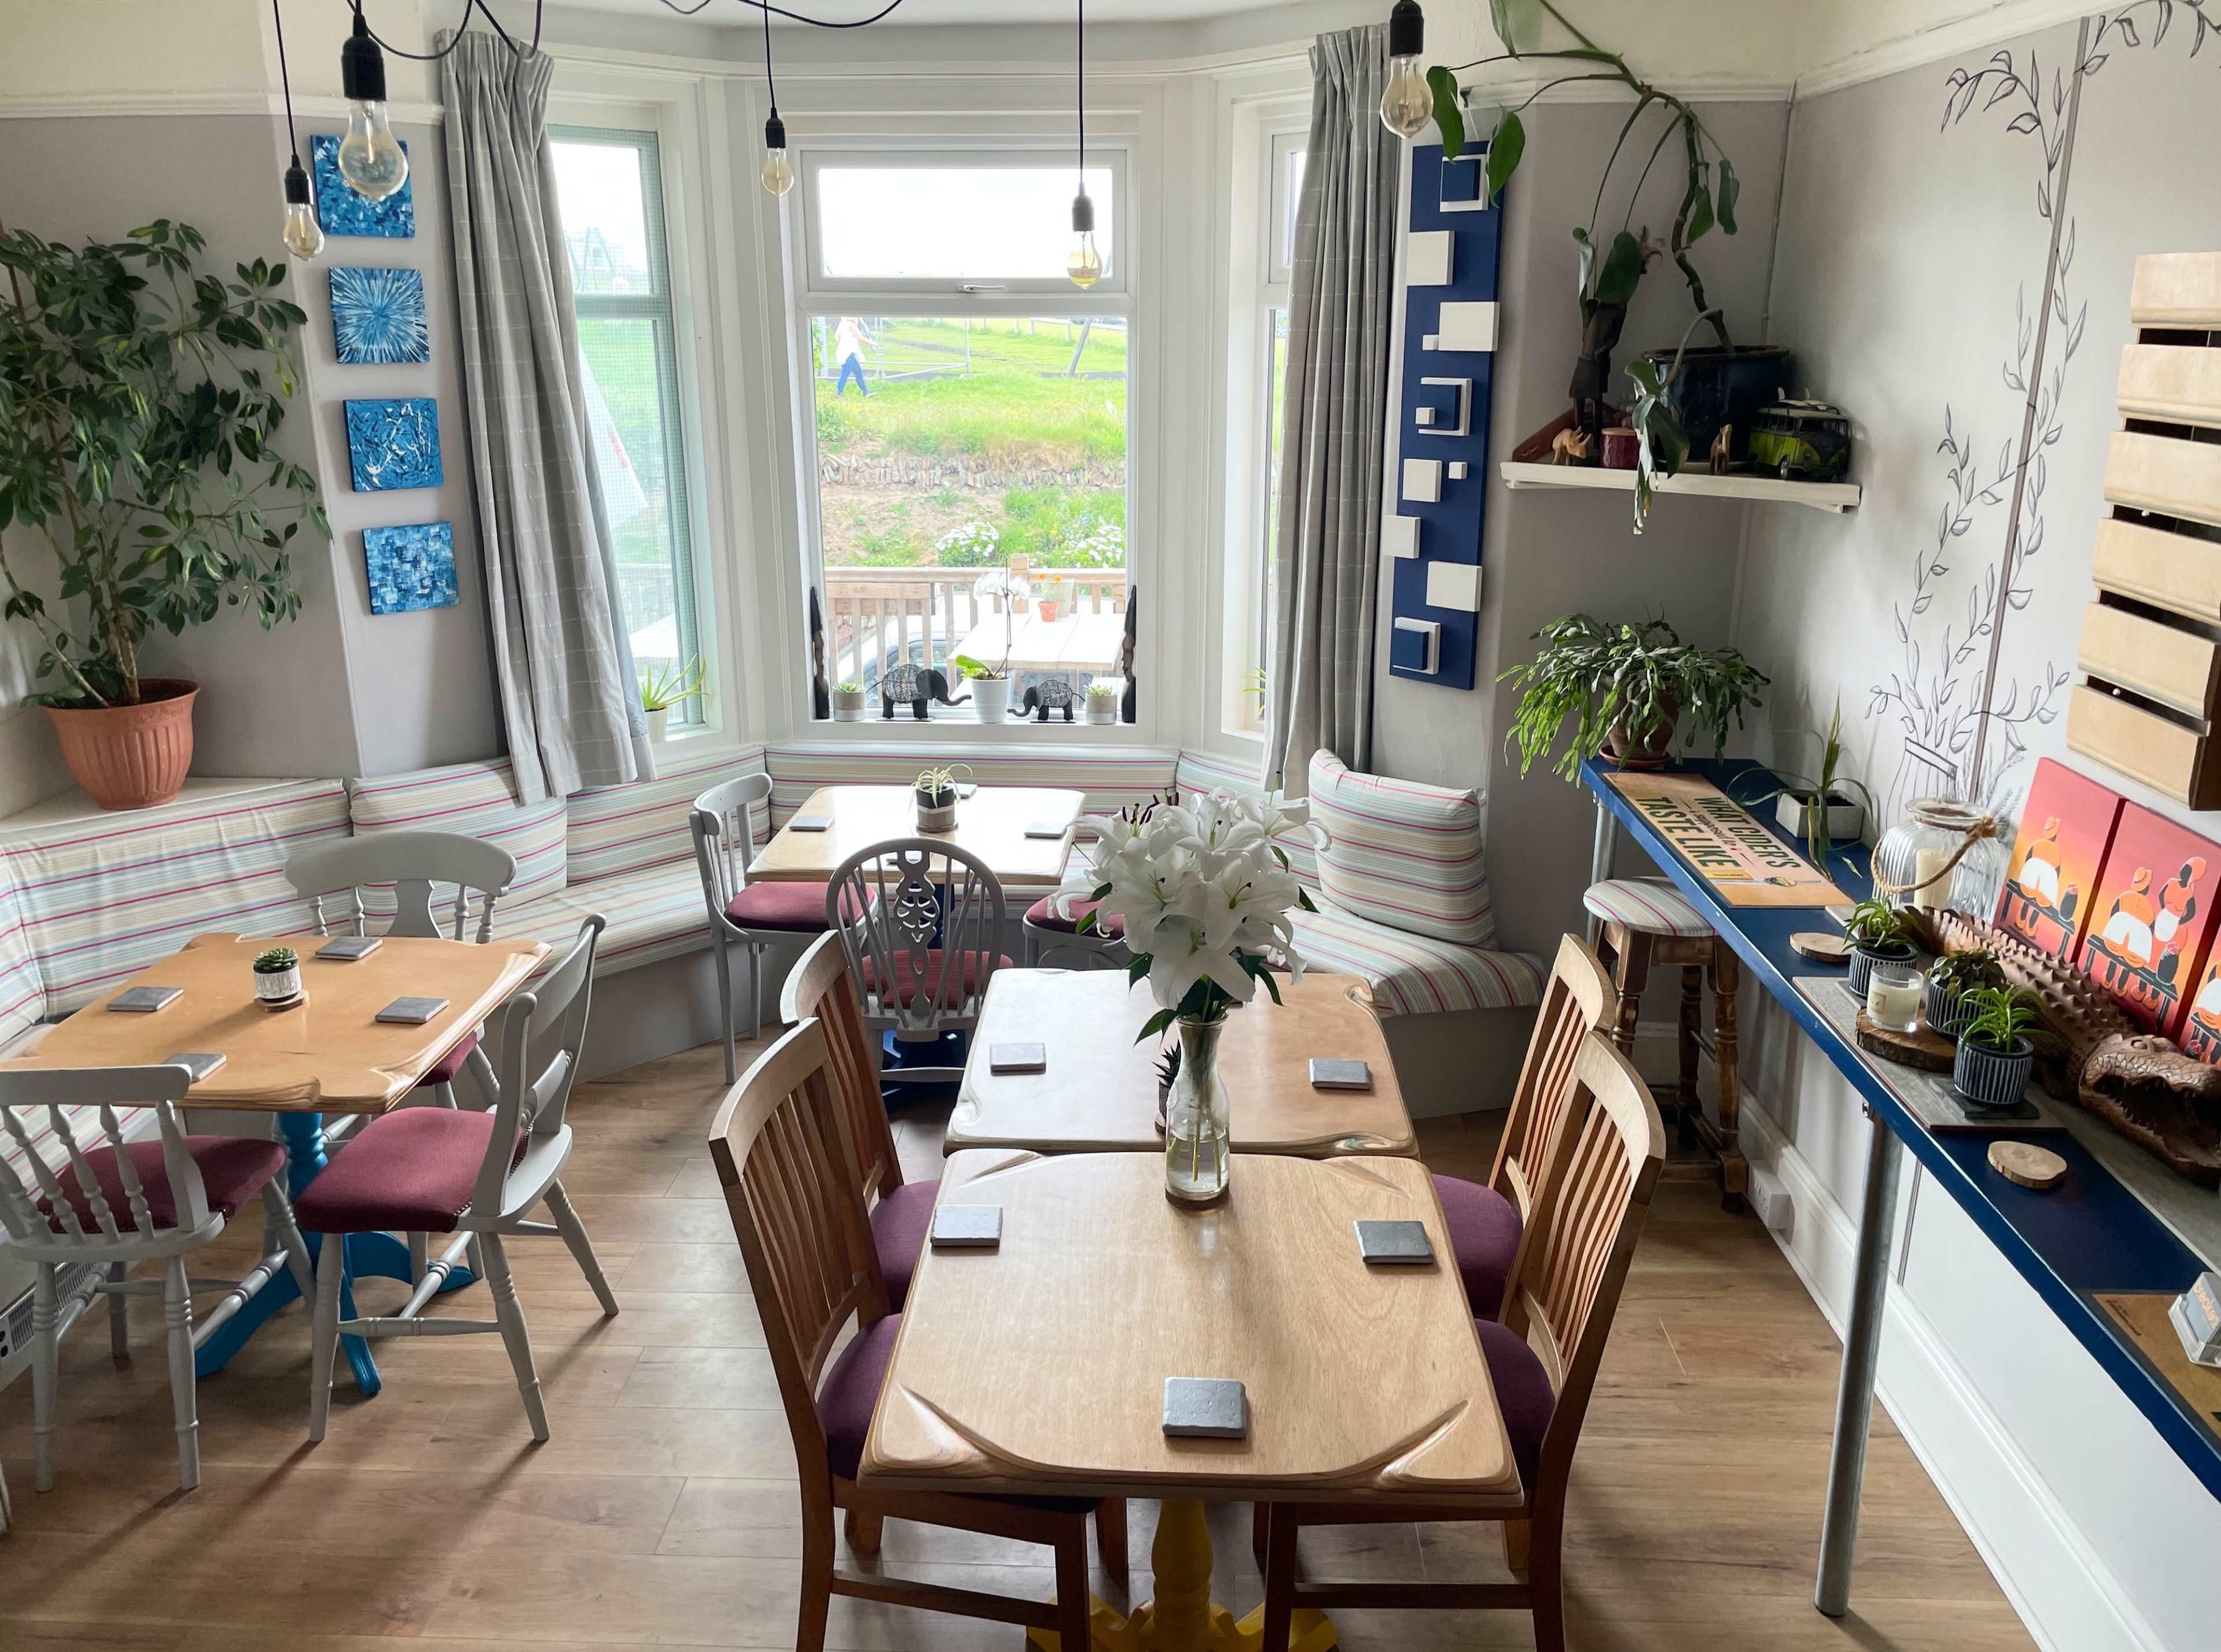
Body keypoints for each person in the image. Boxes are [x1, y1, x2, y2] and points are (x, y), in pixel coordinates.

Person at [833, 315, 870, 398]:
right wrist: (873, 344)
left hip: (845, 352)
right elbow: (862, 339)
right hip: (849, 353)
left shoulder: (842, 324)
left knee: (858, 372)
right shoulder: (852, 325)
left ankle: (866, 391)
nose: (858, 319)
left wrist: (843, 344)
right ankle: (839, 394)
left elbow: (837, 337)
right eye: (857, 317)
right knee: (845, 373)